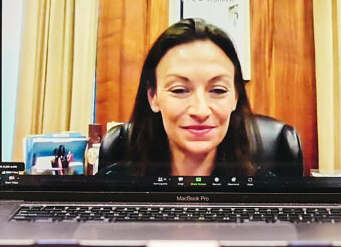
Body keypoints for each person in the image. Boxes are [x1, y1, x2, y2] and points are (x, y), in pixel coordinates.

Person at [104, 19, 255, 178]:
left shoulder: (269, 193)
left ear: (235, 97)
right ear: (153, 97)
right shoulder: (108, 189)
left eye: (218, 90)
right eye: (179, 90)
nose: (200, 111)